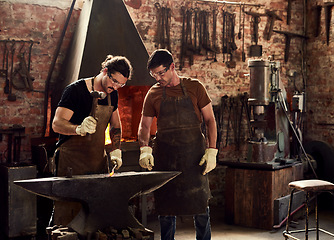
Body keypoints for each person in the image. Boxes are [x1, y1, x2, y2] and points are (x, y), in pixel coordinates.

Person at [138, 49, 218, 240]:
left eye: (161, 73)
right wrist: (144, 149)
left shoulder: (195, 87)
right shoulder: (153, 94)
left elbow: (210, 121)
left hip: (194, 158)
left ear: (172, 67)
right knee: (166, 210)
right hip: (166, 158)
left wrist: (212, 150)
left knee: (201, 208)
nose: (158, 78)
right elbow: (144, 125)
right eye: (154, 74)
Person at [51, 55, 133, 225]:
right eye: (114, 81)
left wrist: (116, 150)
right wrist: (77, 128)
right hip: (71, 162)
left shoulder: (112, 95)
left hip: (96, 162)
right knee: (68, 215)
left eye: (121, 84)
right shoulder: (75, 90)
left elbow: (115, 125)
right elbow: (57, 124)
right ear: (105, 71)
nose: (115, 87)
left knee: (95, 217)